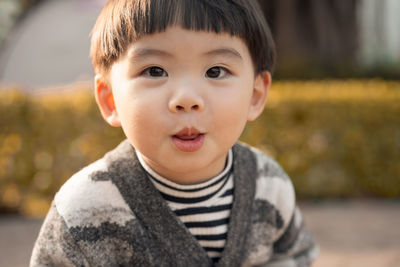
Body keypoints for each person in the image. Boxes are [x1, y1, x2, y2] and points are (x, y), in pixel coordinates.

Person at [30, 0, 317, 266]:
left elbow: (296, 254)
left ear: (255, 95)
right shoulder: (84, 208)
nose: (187, 98)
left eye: (215, 71)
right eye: (155, 71)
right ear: (110, 100)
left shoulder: (269, 186)